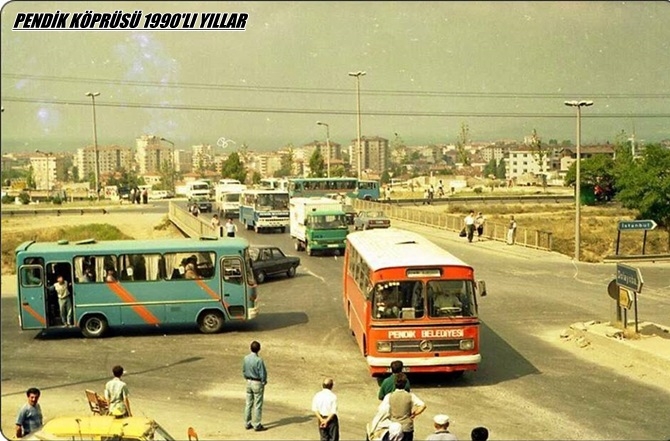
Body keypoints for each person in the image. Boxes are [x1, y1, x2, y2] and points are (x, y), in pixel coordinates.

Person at [380, 373, 426, 441]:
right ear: (405, 384)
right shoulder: (410, 396)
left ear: (395, 383)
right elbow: (423, 405)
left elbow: (382, 409)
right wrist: (414, 414)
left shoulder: (389, 396)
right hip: (407, 427)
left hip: (394, 426)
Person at [243, 340, 268, 432]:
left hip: (248, 382)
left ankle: (247, 423)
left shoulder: (246, 358)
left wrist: (246, 377)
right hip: (257, 383)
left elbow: (244, 370)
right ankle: (257, 424)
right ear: (259, 349)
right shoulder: (259, 360)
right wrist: (264, 381)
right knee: (257, 404)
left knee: (248, 403)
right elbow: (262, 373)